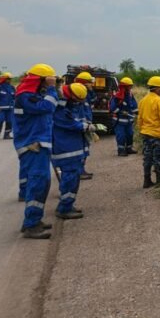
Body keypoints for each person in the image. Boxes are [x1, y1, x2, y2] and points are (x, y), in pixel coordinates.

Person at [14, 63, 58, 239]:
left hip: (39, 143)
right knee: (38, 182)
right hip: (33, 144)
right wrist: (52, 88)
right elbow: (47, 107)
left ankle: (33, 220)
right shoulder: (26, 96)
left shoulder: (34, 95)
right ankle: (31, 224)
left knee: (43, 182)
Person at [53, 83, 100, 220]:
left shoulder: (68, 105)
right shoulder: (60, 109)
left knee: (73, 178)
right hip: (66, 149)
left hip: (72, 147)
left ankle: (67, 205)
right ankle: (64, 208)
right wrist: (88, 127)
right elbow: (70, 123)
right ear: (72, 96)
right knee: (70, 179)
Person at [137, 76, 160, 188]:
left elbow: (139, 118)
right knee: (159, 159)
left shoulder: (143, 100)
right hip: (158, 135)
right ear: (157, 88)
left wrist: (141, 130)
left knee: (147, 157)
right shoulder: (159, 101)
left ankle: (147, 180)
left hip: (146, 134)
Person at [74, 71, 96, 179]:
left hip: (86, 124)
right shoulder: (77, 93)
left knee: (85, 149)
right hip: (80, 126)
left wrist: (91, 90)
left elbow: (93, 100)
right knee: (81, 149)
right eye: (89, 83)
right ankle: (79, 172)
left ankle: (81, 171)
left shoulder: (85, 93)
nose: (91, 84)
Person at [110, 77, 138, 156]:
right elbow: (112, 108)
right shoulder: (117, 95)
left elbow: (134, 105)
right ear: (124, 86)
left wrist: (137, 112)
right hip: (119, 121)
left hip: (129, 120)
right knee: (121, 135)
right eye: (129, 86)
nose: (130, 88)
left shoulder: (130, 94)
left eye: (131, 86)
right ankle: (121, 150)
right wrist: (120, 111)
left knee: (130, 134)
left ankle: (129, 148)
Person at [0, 72, 15, 139]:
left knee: (10, 121)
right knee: (0, 120)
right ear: (4, 79)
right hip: (1, 109)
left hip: (10, 109)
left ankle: (7, 135)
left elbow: (15, 97)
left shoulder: (12, 88)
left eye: (10, 79)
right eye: (8, 79)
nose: (9, 80)